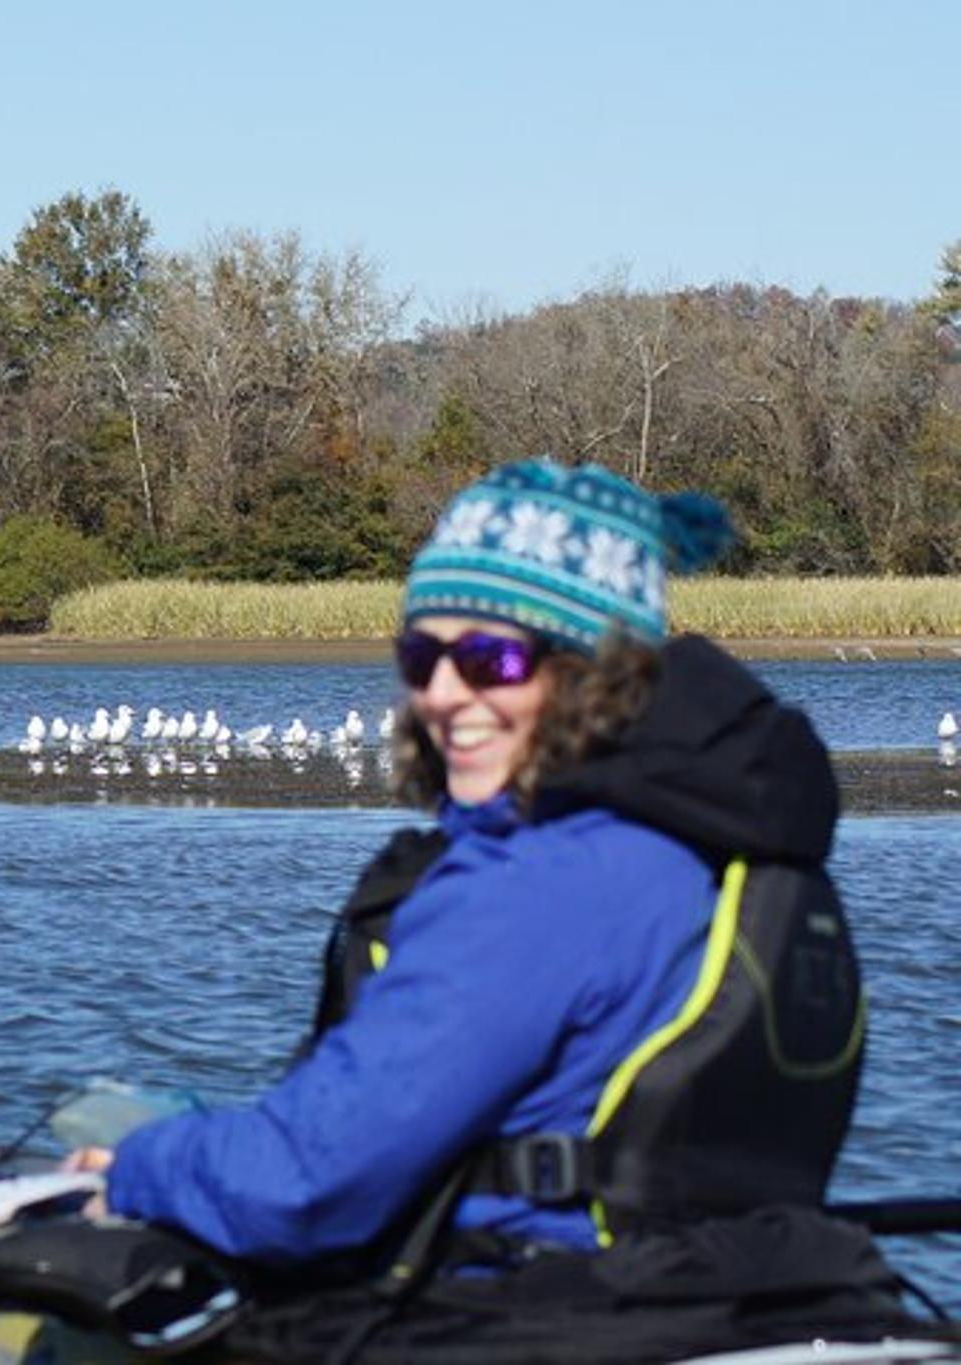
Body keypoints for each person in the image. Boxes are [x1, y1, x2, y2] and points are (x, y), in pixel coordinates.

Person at [60, 459, 904, 1357]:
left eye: (491, 658)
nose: (445, 695)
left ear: (592, 673)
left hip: (524, 1310)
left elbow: (307, 1180)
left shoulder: (543, 880)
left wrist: (150, 1164)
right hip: (715, 1300)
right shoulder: (731, 846)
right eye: (421, 657)